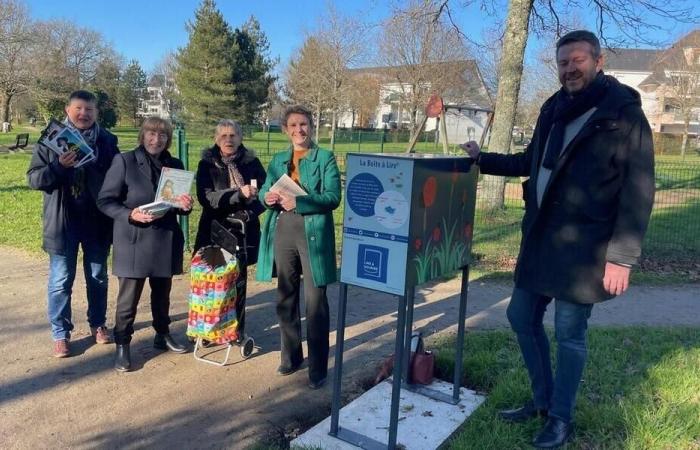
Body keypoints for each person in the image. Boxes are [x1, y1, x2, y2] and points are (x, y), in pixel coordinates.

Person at [460, 30, 655, 448]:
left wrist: (621, 257)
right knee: (520, 317)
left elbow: (638, 190)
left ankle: (561, 418)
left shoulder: (621, 112)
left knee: (569, 332)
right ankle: (542, 401)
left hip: (586, 249)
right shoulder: (553, 107)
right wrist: (483, 159)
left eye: (578, 60)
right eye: (563, 62)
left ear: (598, 61)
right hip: (542, 237)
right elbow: (531, 160)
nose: (570, 68)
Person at [27, 90, 119, 358]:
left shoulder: (107, 141)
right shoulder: (51, 140)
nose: (84, 114)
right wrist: (58, 167)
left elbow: (118, 178)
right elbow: (34, 179)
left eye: (89, 109)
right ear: (68, 110)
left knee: (98, 277)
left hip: (97, 222)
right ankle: (60, 333)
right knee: (60, 280)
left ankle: (98, 324)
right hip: (62, 223)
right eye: (78, 108)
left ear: (96, 113)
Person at [97, 117, 193, 372]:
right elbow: (105, 201)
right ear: (143, 135)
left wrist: (186, 206)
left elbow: (178, 206)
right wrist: (130, 215)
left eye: (162, 135)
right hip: (134, 240)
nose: (156, 139)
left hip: (165, 239)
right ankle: (122, 344)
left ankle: (163, 334)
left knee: (162, 296)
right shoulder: (124, 161)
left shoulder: (175, 165)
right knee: (128, 300)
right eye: (151, 133)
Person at [256, 105, 341, 390]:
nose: (298, 130)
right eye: (292, 125)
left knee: (315, 301)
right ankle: (291, 357)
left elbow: (332, 197)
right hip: (283, 230)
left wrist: (300, 202)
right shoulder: (279, 159)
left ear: (311, 127)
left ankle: (318, 367)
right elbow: (263, 190)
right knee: (285, 296)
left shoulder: (325, 157)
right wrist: (264, 197)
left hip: (313, 233)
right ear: (285, 129)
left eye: (303, 124)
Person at [194, 119, 267, 335]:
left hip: (244, 231)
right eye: (224, 135)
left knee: (239, 283)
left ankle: (237, 330)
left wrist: (248, 212)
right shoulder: (206, 164)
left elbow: (264, 196)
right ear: (216, 139)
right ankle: (210, 329)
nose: (229, 139)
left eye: (233, 135)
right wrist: (238, 194)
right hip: (216, 231)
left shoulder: (252, 163)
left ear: (240, 138)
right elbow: (207, 198)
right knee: (215, 283)